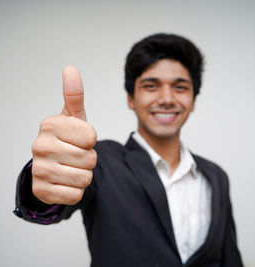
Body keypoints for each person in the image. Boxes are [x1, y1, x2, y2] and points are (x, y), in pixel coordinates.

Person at [13, 33, 243, 267]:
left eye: (180, 87)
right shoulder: (98, 161)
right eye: (151, 86)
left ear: (193, 100)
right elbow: (52, 195)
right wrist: (41, 187)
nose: (166, 98)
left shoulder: (216, 177)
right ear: (131, 98)